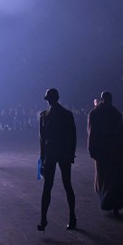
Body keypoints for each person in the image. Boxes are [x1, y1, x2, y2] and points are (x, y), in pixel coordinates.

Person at [37, 88, 77, 231]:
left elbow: (72, 136)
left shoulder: (46, 116)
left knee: (57, 186)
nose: (49, 100)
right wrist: (42, 159)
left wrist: (43, 159)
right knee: (60, 185)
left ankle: (47, 219)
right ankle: (47, 219)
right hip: (58, 153)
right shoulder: (64, 114)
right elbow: (42, 140)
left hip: (57, 153)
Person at [87, 91, 123, 216]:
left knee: (103, 177)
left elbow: (92, 133)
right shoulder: (115, 113)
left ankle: (108, 201)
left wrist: (91, 149)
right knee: (116, 178)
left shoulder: (95, 113)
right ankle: (115, 203)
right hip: (115, 149)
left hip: (102, 150)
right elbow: (121, 134)